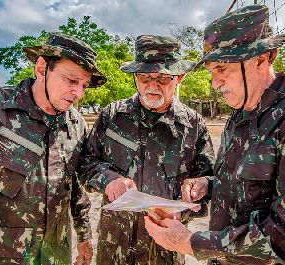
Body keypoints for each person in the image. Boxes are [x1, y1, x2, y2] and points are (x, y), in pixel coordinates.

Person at [144, 5, 285, 265]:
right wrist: (209, 185)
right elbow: (251, 190)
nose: (215, 83)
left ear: (260, 60)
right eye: (211, 72)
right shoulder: (238, 117)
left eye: (221, 69)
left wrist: (191, 242)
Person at [0, 32, 106, 264]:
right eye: (72, 81)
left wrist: (84, 236)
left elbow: (75, 189)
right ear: (42, 68)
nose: (79, 93)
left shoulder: (76, 125)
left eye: (84, 85)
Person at [80, 35, 216, 264]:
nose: (152, 85)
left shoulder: (194, 126)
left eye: (162, 78)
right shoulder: (112, 115)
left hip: (166, 249)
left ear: (179, 78)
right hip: (114, 248)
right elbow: (86, 163)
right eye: (144, 77)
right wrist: (109, 180)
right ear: (135, 77)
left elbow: (211, 183)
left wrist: (195, 195)